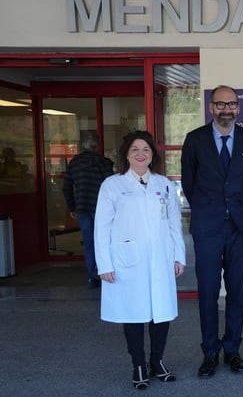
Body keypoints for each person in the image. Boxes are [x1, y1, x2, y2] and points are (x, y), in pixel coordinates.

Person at [94, 131, 185, 389]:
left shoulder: (164, 184)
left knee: (161, 313)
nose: (141, 154)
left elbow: (174, 223)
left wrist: (178, 255)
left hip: (160, 258)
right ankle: (138, 364)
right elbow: (101, 227)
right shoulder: (112, 185)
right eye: (135, 149)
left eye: (145, 149)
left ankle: (157, 361)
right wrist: (105, 265)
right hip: (127, 260)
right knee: (133, 313)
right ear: (126, 154)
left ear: (152, 154)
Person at [181, 85, 243, 378]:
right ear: (211, 107)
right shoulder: (195, 140)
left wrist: (233, 208)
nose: (227, 109)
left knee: (237, 291)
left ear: (238, 108)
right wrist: (209, 209)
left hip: (238, 227)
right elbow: (189, 183)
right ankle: (209, 353)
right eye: (220, 104)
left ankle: (233, 350)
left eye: (232, 104)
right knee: (208, 293)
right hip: (207, 228)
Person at [63, 133, 114, 288]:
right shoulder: (104, 163)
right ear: (96, 145)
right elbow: (112, 187)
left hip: (83, 207)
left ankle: (92, 276)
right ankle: (105, 271)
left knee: (89, 243)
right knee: (105, 241)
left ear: (82, 145)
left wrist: (73, 206)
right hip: (102, 208)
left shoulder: (74, 164)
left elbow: (66, 188)